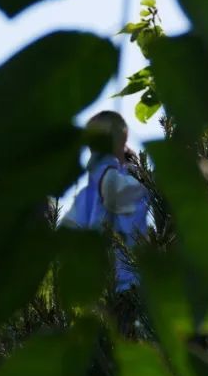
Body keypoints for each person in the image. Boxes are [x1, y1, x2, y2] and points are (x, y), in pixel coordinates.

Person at [61, 110, 149, 292]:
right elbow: (68, 233)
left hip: (133, 285)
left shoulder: (135, 177)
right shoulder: (89, 192)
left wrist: (101, 163)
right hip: (101, 292)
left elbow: (114, 193)